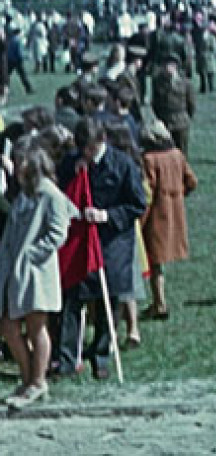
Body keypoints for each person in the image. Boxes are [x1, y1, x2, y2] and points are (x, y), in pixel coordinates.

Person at [55, 117, 147, 380]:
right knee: (73, 298)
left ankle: (101, 354)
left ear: (102, 141)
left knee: (109, 302)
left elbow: (137, 205)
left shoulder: (122, 165)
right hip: (79, 241)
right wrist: (73, 172)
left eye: (91, 149)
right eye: (83, 149)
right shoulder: (70, 163)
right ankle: (67, 358)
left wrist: (106, 215)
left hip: (112, 242)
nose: (87, 154)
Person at [0, 140, 76, 408]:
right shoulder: (24, 194)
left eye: (21, 160)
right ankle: (26, 376)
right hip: (13, 272)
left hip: (36, 273)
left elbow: (58, 232)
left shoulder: (50, 194)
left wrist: (32, 255)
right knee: (8, 326)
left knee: (36, 327)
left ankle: (38, 381)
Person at [140, 120, 198, 320]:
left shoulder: (149, 159)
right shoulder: (177, 155)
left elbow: (147, 193)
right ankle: (159, 301)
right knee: (158, 262)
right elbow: (192, 181)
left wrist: (140, 220)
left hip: (157, 215)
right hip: (175, 214)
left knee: (155, 261)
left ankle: (159, 303)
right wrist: (178, 196)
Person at [150, 53, 197, 157]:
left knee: (182, 151)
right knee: (165, 150)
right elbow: (155, 102)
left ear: (176, 67)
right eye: (165, 65)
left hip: (181, 121)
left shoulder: (186, 83)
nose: (167, 68)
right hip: (165, 120)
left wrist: (186, 118)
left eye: (171, 65)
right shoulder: (157, 82)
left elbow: (191, 104)